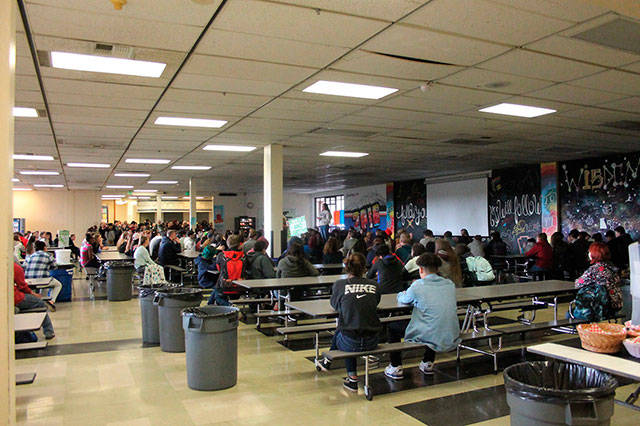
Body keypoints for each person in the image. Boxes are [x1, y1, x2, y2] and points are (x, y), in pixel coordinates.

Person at [384, 253, 460, 380]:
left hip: (430, 331)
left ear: (420, 269)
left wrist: (401, 293)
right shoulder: (449, 284)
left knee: (393, 327)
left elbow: (404, 299)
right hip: (451, 331)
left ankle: (395, 366)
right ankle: (428, 362)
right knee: (435, 319)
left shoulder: (418, 285)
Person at [319, 253, 381, 392]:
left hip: (350, 343)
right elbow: (376, 301)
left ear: (347, 267)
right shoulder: (374, 285)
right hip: (373, 340)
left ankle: (351, 378)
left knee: (343, 328)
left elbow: (334, 304)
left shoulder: (340, 285)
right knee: (348, 327)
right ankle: (327, 362)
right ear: (364, 268)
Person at [570, 242, 623, 321]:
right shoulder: (612, 268)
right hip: (615, 305)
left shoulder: (594, 270)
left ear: (593, 254)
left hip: (601, 308)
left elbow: (578, 284)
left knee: (569, 314)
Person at [14, 262, 55, 339]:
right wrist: (32, 293)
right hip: (15, 298)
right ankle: (49, 332)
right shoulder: (15, 267)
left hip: (12, 299)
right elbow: (23, 287)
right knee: (40, 303)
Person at [23, 241, 62, 308]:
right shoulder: (48, 255)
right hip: (43, 280)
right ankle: (51, 301)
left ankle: (39, 300)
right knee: (58, 285)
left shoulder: (30, 256)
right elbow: (55, 266)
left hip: (28, 281)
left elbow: (23, 267)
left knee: (41, 285)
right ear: (44, 248)